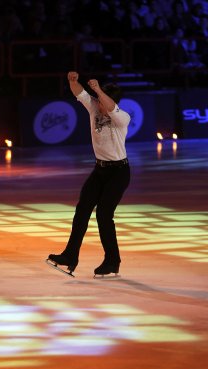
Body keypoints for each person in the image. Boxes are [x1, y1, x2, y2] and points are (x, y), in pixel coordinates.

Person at [47, 70, 131, 277]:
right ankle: (70, 255)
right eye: (98, 101)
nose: (99, 106)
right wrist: (72, 81)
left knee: (103, 215)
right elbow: (80, 94)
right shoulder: (94, 106)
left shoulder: (122, 117)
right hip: (100, 170)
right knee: (82, 209)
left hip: (118, 172)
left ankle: (112, 261)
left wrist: (98, 90)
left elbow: (109, 105)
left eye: (102, 101)